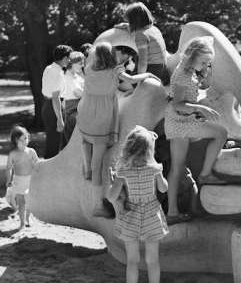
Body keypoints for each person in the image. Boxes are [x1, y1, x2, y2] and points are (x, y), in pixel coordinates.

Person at [105, 125, 169, 283]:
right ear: (150, 149)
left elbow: (111, 197)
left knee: (132, 260)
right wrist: (159, 171)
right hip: (151, 214)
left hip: (131, 215)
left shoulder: (123, 172)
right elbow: (163, 189)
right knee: (153, 260)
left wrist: (113, 181)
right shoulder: (154, 168)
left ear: (129, 148)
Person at [77, 42, 159, 186]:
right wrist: (148, 74)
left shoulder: (88, 68)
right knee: (99, 155)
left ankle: (87, 168)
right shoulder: (116, 71)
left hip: (86, 108)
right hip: (103, 113)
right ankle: (95, 189)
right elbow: (132, 80)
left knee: (85, 138)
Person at [165, 37, 228, 223]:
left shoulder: (189, 71)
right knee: (221, 133)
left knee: (177, 168)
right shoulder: (183, 75)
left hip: (181, 122)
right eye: (204, 62)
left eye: (208, 63)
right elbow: (178, 104)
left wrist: (204, 74)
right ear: (193, 56)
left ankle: (172, 212)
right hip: (180, 123)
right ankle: (205, 174)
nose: (206, 65)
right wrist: (200, 108)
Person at [5, 126, 41, 231]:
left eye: (27, 138)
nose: (26, 141)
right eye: (23, 139)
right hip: (18, 181)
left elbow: (37, 164)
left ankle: (27, 218)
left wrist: (39, 172)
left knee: (29, 202)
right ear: (16, 140)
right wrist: (8, 180)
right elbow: (8, 169)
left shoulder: (31, 151)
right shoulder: (13, 154)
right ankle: (22, 223)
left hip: (30, 180)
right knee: (21, 203)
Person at [124, 2, 169, 85]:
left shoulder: (141, 35)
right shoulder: (154, 29)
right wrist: (126, 26)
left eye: (129, 21)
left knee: (122, 86)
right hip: (163, 70)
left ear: (133, 21)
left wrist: (139, 82)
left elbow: (143, 61)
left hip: (152, 72)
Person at [41, 45, 72, 158]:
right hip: (54, 107)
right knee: (54, 144)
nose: (69, 61)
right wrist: (59, 119)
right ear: (64, 58)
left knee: (52, 142)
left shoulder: (49, 68)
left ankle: (48, 170)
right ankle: (48, 172)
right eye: (68, 58)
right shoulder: (58, 73)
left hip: (48, 106)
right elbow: (56, 97)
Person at [61, 51, 86, 145]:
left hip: (79, 109)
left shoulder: (77, 77)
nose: (82, 66)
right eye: (80, 63)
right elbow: (80, 93)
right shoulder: (67, 77)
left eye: (83, 63)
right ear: (72, 64)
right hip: (71, 112)